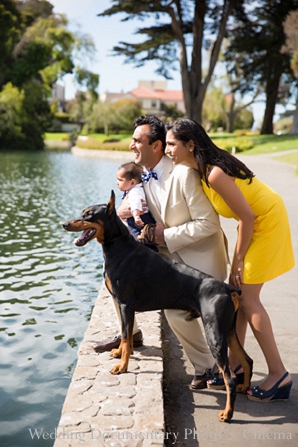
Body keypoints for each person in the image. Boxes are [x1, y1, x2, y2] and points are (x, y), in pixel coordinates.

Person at [165, 118, 295, 401]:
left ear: (190, 145)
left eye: (172, 144)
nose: (167, 150)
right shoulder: (201, 172)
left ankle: (279, 374)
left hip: (267, 223)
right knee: (238, 296)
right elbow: (241, 218)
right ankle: (235, 367)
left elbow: (248, 216)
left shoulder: (214, 174)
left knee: (248, 299)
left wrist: (237, 261)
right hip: (254, 224)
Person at [105, 115, 229, 389]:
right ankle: (133, 335)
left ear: (157, 145)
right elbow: (133, 210)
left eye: (137, 140)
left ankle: (211, 368)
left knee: (175, 312)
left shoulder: (183, 172)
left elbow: (209, 224)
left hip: (202, 259)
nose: (131, 146)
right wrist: (125, 212)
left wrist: (165, 235)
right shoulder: (141, 179)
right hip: (170, 261)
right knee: (117, 277)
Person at [116, 161, 157, 250]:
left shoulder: (135, 191)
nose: (117, 183)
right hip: (140, 218)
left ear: (132, 182)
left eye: (120, 180)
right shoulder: (135, 189)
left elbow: (136, 203)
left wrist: (136, 216)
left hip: (141, 219)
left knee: (138, 238)